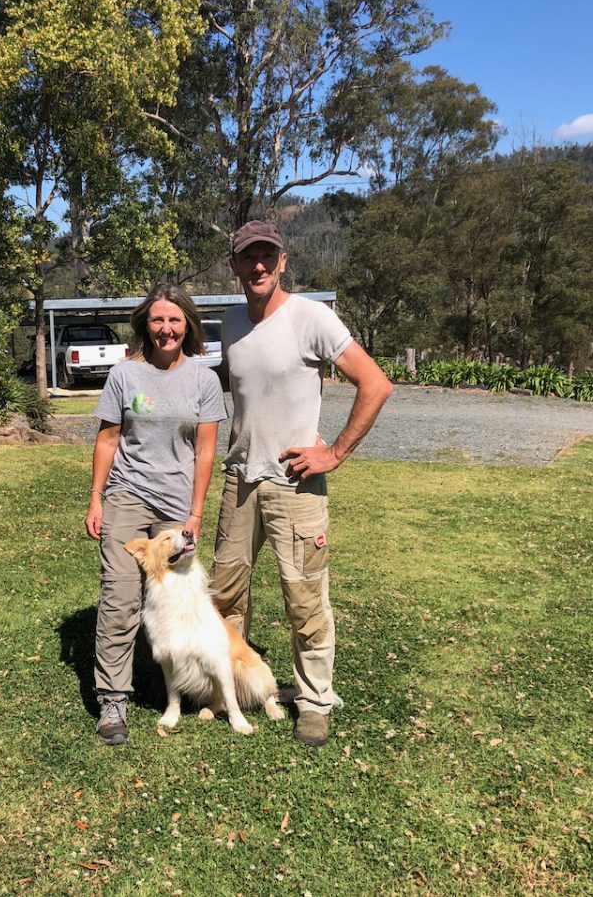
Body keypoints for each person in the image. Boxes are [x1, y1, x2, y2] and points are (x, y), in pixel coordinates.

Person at [211, 220, 393, 747]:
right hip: (238, 483)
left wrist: (333, 453)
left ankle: (314, 700)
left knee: (305, 598)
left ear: (283, 261)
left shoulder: (311, 316)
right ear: (236, 267)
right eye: (249, 258)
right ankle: (230, 690)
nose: (259, 266)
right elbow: (227, 379)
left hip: (295, 484)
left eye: (268, 256)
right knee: (225, 595)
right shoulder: (229, 323)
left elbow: (375, 382)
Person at [85, 284, 227, 745]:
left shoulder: (204, 381)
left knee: (183, 597)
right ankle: (113, 699)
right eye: (157, 320)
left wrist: (196, 513)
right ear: (145, 324)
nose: (166, 329)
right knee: (120, 595)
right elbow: (108, 440)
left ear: (188, 326)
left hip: (177, 505)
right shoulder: (124, 375)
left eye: (175, 320)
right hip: (128, 494)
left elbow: (205, 451)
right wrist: (96, 498)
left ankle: (197, 682)